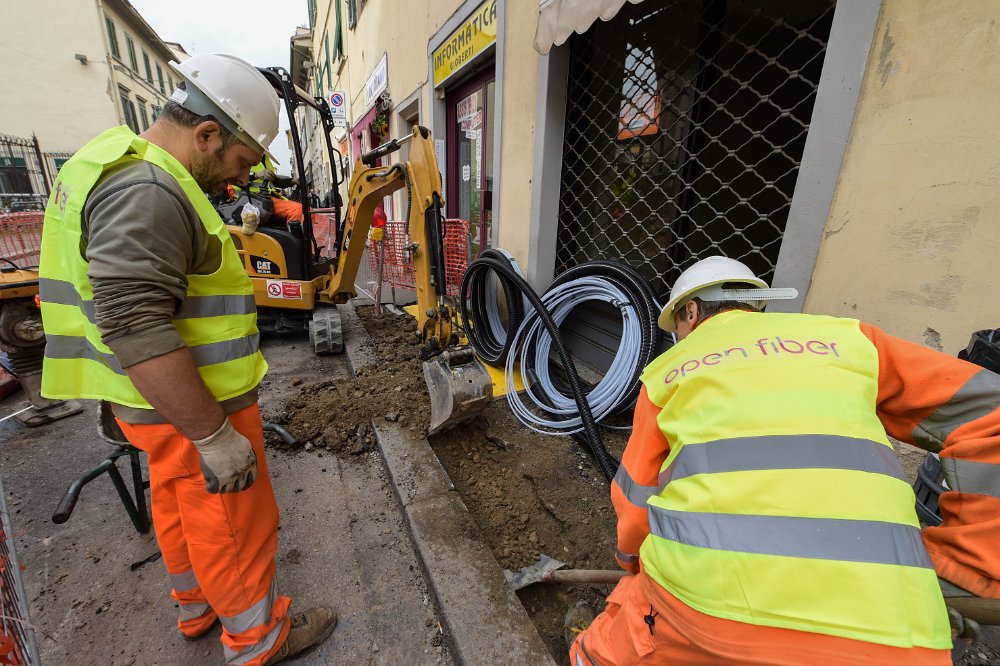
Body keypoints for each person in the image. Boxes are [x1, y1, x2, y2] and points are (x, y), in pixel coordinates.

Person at [38, 53, 337, 665]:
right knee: (231, 520)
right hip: (192, 398)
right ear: (205, 133)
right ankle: (259, 638)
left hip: (147, 402)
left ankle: (197, 607)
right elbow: (134, 322)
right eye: (239, 161)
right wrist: (213, 433)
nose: (236, 180)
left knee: (176, 502)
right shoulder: (148, 191)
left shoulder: (120, 163)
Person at [568, 256, 1000, 665]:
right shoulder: (852, 340)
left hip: (703, 609)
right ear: (755, 305)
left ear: (692, 313)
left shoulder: (670, 370)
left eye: (678, 324)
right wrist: (967, 570)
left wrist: (631, 565)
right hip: (897, 633)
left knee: (605, 646)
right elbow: (991, 412)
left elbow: (636, 500)